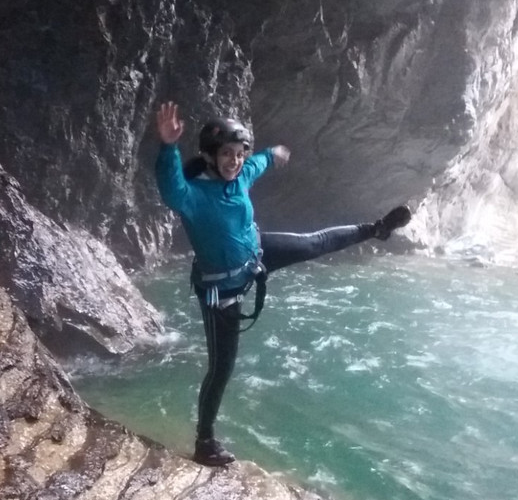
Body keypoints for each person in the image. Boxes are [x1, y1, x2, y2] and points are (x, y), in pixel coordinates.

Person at [154, 101, 412, 466]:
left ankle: (376, 229)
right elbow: (169, 186)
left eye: (238, 154)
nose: (235, 161)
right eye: (226, 154)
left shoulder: (241, 174)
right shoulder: (191, 195)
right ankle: (204, 441)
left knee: (314, 242)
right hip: (221, 292)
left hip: (256, 256)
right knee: (221, 368)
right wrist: (167, 146)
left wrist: (270, 154)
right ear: (210, 156)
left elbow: (254, 164)